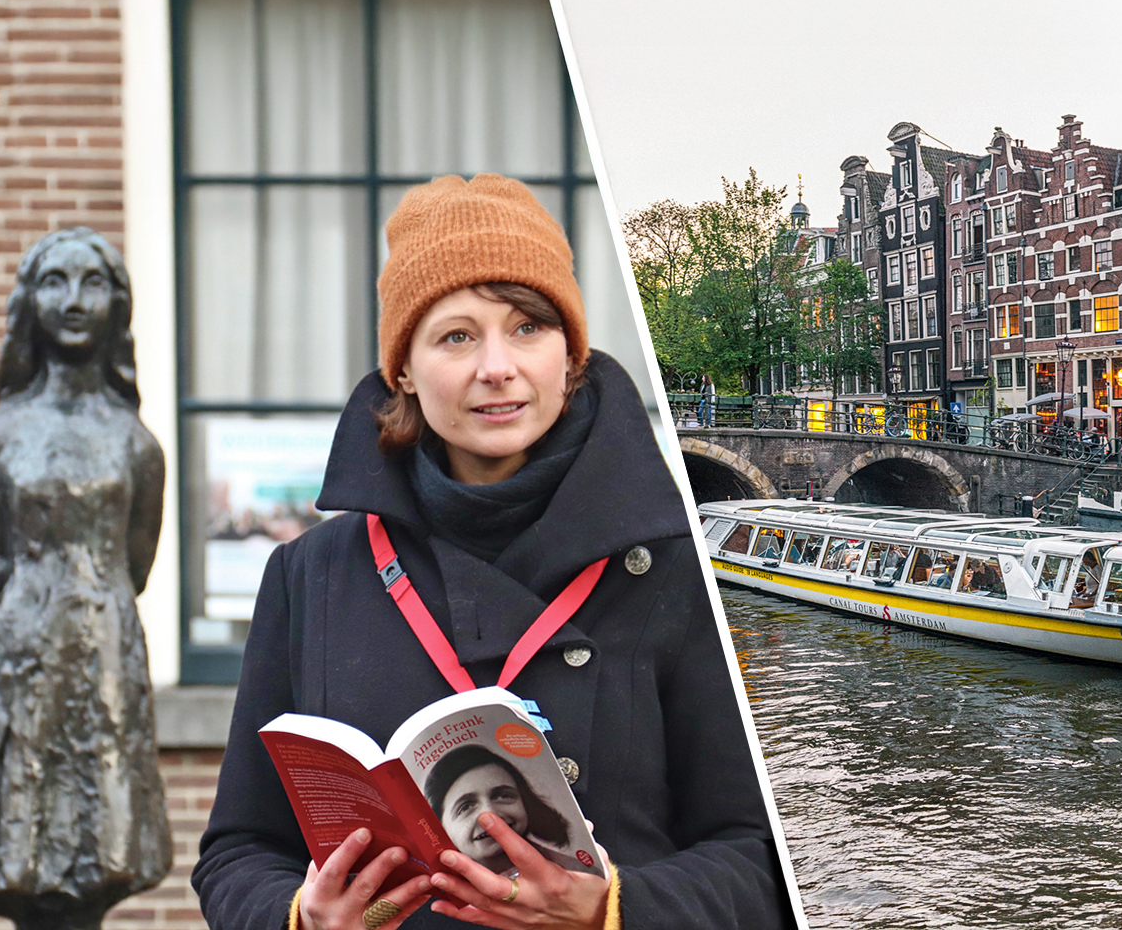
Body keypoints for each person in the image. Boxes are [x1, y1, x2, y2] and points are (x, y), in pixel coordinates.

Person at [192, 175, 787, 930]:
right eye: (456, 336)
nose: (497, 366)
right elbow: (237, 851)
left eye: (528, 328)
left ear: (571, 352)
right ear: (402, 368)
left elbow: (762, 858)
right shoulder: (309, 576)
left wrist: (615, 908)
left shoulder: (676, 567)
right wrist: (302, 918)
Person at [0, 229, 172, 927]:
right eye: (55, 282)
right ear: (29, 301)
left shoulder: (136, 446)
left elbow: (133, 566)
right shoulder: (1, 436)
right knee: (19, 852)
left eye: (93, 283)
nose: (74, 301)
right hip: (18, 656)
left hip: (102, 657)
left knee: (99, 848)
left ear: (117, 305)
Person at [423, 746, 571, 877]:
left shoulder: (576, 873)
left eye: (503, 796)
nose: (490, 815)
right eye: (466, 807)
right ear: (440, 826)